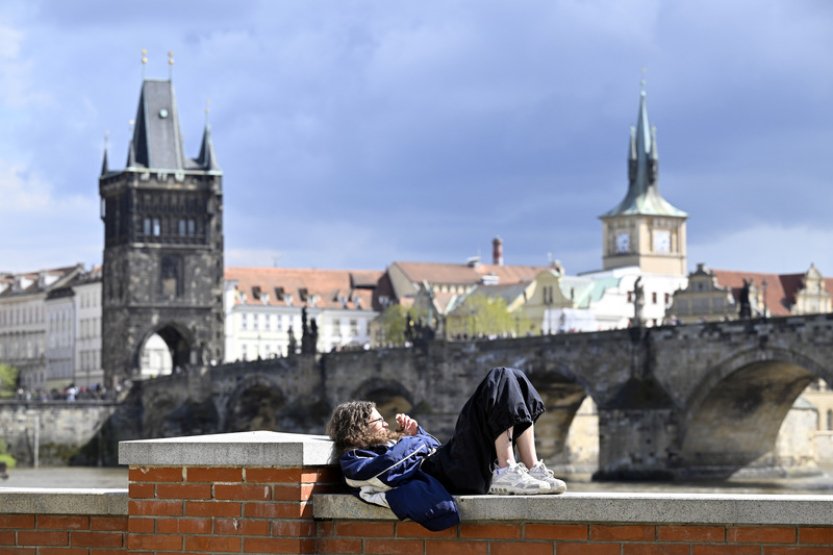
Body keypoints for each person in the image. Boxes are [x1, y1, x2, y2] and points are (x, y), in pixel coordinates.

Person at [327, 367, 567, 531]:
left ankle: (532, 468)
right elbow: (387, 471)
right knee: (498, 377)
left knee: (515, 379)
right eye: (378, 421)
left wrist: (415, 434)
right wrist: (413, 440)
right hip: (448, 474)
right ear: (358, 429)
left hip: (449, 466)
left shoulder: (389, 446)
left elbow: (429, 447)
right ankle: (506, 470)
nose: (385, 424)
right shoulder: (355, 461)